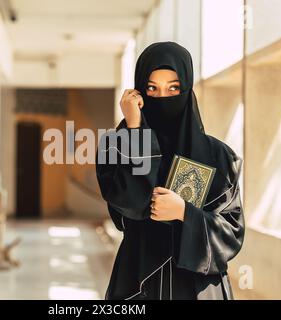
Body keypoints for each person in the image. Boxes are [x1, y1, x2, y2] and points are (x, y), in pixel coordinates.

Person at [96, 41, 245, 300]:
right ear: (138, 93)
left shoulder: (218, 156)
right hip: (139, 283)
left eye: (173, 88)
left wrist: (185, 213)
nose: (163, 98)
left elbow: (232, 233)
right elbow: (129, 206)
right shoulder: (115, 148)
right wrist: (134, 130)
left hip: (199, 288)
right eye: (152, 89)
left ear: (187, 89)